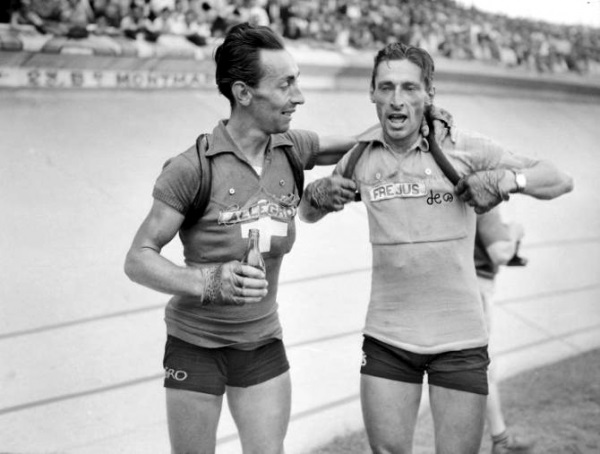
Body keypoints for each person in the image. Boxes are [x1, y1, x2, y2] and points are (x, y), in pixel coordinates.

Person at [124, 22, 421, 454]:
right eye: (286, 85)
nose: (298, 96)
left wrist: (419, 118)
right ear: (243, 93)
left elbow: (365, 144)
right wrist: (209, 281)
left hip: (262, 343)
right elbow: (138, 258)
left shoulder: (291, 148)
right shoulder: (191, 168)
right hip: (195, 345)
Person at [299, 41, 573, 453]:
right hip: (388, 339)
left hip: (460, 342)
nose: (397, 100)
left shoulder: (466, 147)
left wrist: (506, 181)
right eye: (386, 87)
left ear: (429, 93)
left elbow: (558, 179)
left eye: (409, 88)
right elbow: (307, 211)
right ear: (371, 92)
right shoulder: (360, 156)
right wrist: (316, 195)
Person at [475, 209, 535, 454]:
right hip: (476, 285)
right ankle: (500, 441)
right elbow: (500, 253)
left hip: (463, 283)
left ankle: (501, 438)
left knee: (482, 368)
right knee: (482, 368)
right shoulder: (484, 197)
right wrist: (514, 231)